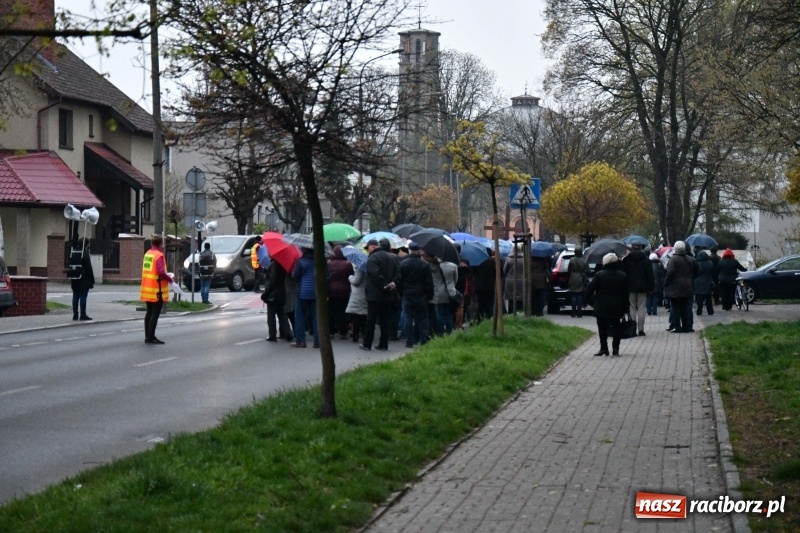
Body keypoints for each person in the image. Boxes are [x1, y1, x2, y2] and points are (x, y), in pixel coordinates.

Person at [585, 253, 629, 356]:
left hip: (601, 306)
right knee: (617, 327)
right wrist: (626, 307)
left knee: (602, 328)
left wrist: (592, 302)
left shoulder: (599, 275)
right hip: (617, 306)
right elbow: (626, 293)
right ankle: (615, 348)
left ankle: (604, 348)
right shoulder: (622, 275)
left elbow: (588, 290)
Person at [361, 238, 400, 351]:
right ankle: (383, 344)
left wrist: (384, 284)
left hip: (374, 294)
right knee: (385, 320)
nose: (368, 251)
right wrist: (392, 283)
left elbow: (374, 274)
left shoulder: (373, 258)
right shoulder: (393, 257)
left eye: (368, 248)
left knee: (371, 320)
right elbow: (398, 273)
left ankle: (367, 344)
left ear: (373, 247)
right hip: (388, 294)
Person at [398, 241, 434, 347]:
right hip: (421, 295)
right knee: (423, 319)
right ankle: (423, 340)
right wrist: (430, 296)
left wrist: (400, 293)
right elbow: (429, 282)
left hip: (407, 294)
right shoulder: (425, 264)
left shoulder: (403, 264)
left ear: (409, 250)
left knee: (408, 318)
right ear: (419, 251)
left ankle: (409, 341)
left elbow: (399, 280)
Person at [140, 234, 174, 344]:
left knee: (149, 313)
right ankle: (151, 337)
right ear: (160, 244)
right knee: (155, 314)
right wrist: (170, 279)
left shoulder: (147, 254)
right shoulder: (159, 255)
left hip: (147, 288)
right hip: (156, 290)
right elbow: (160, 272)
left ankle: (147, 336)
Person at [664, 240, 698, 333]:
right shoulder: (690, 259)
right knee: (685, 307)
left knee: (675, 307)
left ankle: (677, 327)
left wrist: (666, 283)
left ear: (675, 248)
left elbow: (670, 272)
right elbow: (696, 272)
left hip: (675, 287)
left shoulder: (673, 259)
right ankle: (686, 327)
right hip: (687, 286)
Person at [622, 243, 654, 335]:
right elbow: (650, 275)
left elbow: (623, 274)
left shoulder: (626, 260)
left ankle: (632, 329)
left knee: (632, 307)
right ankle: (641, 329)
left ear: (632, 248)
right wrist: (651, 287)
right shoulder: (646, 260)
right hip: (643, 287)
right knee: (641, 308)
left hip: (630, 287)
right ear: (641, 248)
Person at [291, 247, 318, 348]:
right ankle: (317, 341)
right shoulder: (319, 261)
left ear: (305, 250)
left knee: (300, 316)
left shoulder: (301, 262)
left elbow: (295, 277)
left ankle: (301, 341)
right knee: (316, 317)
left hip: (302, 293)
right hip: (315, 293)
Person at [327, 245, 354, 339]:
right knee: (343, 312)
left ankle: (331, 331)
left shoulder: (329, 263)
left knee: (331, 311)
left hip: (331, 290)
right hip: (344, 290)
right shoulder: (348, 264)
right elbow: (351, 275)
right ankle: (343, 331)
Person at [261, 259, 291, 342]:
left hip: (273, 295)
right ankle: (288, 332)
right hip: (281, 292)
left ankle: (272, 334)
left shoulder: (274, 265)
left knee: (271, 315)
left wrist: (266, 293)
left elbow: (272, 281)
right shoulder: (282, 263)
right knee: (281, 314)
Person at [431, 255, 459, 335]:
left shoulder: (436, 266)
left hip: (438, 291)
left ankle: (440, 331)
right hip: (450, 292)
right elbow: (455, 279)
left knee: (439, 312)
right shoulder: (453, 266)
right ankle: (449, 331)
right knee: (449, 313)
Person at [70, 240, 95, 321]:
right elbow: (89, 268)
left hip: (74, 278)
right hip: (84, 279)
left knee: (75, 296)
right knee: (83, 296)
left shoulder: (73, 253)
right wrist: (92, 280)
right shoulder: (84, 254)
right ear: (86, 245)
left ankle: (75, 315)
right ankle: (83, 314)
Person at [345, 265, 368, 343]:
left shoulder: (360, 268)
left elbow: (356, 281)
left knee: (356, 317)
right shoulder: (371, 267)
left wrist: (350, 277)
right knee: (364, 316)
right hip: (367, 293)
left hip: (358, 294)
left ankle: (355, 335)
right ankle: (365, 335)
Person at [473, 247, 496, 323]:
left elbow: (473, 273)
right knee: (489, 304)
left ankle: (480, 319)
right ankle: (489, 320)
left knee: (480, 304)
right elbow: (499, 274)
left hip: (479, 287)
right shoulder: (493, 262)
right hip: (490, 287)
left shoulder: (478, 262)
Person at [567, 246, 589, 317]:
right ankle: (579, 312)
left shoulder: (572, 260)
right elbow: (588, 270)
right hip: (581, 278)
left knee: (573, 294)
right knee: (580, 295)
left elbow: (568, 269)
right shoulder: (584, 260)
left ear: (575, 252)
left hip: (573, 278)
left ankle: (573, 312)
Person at [503, 244, 525, 314]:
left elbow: (504, 270)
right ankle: (520, 313)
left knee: (511, 298)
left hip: (510, 281)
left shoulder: (509, 258)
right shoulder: (524, 259)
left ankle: (511, 313)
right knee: (520, 298)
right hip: (521, 280)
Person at [694, 250, 715, 315]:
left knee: (700, 298)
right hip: (708, 281)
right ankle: (710, 311)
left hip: (698, 282)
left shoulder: (696, 263)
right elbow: (712, 272)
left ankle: (699, 311)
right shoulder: (710, 263)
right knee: (708, 298)